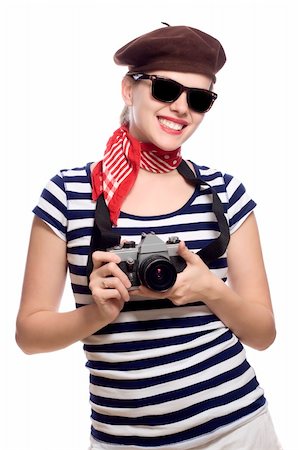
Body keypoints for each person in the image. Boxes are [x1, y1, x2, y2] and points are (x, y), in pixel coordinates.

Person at [16, 24, 282, 450]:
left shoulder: (225, 193)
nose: (180, 108)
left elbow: (263, 334)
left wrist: (210, 288)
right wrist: (98, 313)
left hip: (238, 429)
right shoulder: (69, 193)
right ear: (128, 89)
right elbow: (29, 335)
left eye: (199, 99)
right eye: (164, 89)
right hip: (124, 440)